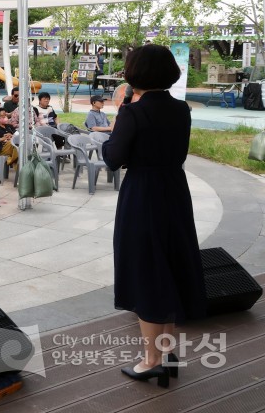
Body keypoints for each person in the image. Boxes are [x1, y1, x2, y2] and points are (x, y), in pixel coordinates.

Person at [101, 45, 206, 387]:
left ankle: (152, 361)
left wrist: (120, 118)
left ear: (135, 73)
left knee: (145, 269)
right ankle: (166, 353)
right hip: (174, 191)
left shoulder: (132, 113)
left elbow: (113, 158)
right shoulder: (182, 109)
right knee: (169, 265)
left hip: (142, 194)